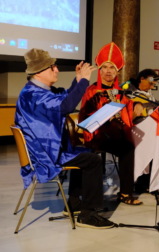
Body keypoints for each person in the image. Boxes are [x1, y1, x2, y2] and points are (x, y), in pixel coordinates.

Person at [15, 48, 116, 229]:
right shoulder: (32, 95)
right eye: (52, 67)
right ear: (39, 72)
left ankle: (75, 204)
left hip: (44, 148)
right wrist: (84, 81)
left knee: (85, 151)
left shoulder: (36, 90)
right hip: (43, 154)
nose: (57, 70)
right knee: (93, 160)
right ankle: (88, 214)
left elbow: (62, 98)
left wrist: (77, 81)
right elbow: (65, 106)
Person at [79, 42, 142, 205]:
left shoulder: (121, 92)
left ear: (117, 72)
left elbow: (129, 105)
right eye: (105, 67)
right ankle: (93, 198)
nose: (108, 71)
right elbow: (86, 115)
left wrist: (137, 105)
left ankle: (126, 193)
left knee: (128, 148)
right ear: (99, 70)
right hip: (96, 135)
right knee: (97, 154)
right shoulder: (92, 91)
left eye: (112, 68)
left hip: (113, 135)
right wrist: (105, 115)